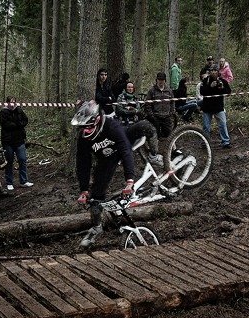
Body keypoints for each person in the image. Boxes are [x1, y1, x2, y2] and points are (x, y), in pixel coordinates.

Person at [72, 101, 135, 248]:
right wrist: (84, 190)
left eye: (87, 128)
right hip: (108, 158)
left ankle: (154, 156)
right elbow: (83, 163)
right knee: (95, 196)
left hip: (123, 145)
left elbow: (126, 151)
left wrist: (130, 180)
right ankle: (96, 226)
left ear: (97, 120)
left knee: (145, 126)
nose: (85, 132)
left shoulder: (112, 126)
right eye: (83, 128)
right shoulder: (84, 138)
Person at [115, 82, 163, 165]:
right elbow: (119, 110)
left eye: (131, 87)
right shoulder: (120, 97)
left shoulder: (135, 98)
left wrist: (132, 110)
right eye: (128, 87)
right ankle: (119, 159)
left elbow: (139, 111)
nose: (130, 89)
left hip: (134, 124)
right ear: (126, 88)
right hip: (123, 124)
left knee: (139, 144)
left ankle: (145, 162)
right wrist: (131, 111)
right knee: (124, 143)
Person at [0, 96, 33, 191]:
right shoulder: (3, 112)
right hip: (8, 141)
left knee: (22, 159)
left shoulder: (19, 110)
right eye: (11, 102)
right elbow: (4, 124)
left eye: (14, 102)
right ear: (7, 103)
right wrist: (16, 125)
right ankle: (9, 182)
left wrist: (19, 124)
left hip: (20, 140)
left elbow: (25, 120)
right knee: (9, 162)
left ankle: (24, 181)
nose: (12, 104)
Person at [201, 64, 232, 149]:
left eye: (215, 71)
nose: (213, 72)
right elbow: (202, 91)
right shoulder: (206, 81)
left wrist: (222, 88)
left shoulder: (223, 81)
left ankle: (225, 141)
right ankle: (205, 142)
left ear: (218, 72)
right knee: (206, 126)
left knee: (223, 124)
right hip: (207, 108)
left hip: (218, 107)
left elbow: (229, 92)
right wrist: (210, 87)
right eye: (212, 71)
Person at [144, 72, 175, 138]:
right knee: (154, 135)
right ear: (157, 80)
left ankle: (171, 147)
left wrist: (171, 113)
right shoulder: (152, 91)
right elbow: (148, 104)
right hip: (156, 117)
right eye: (159, 79)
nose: (161, 81)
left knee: (169, 135)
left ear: (165, 80)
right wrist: (151, 116)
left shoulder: (169, 91)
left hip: (167, 117)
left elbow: (172, 102)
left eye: (162, 80)